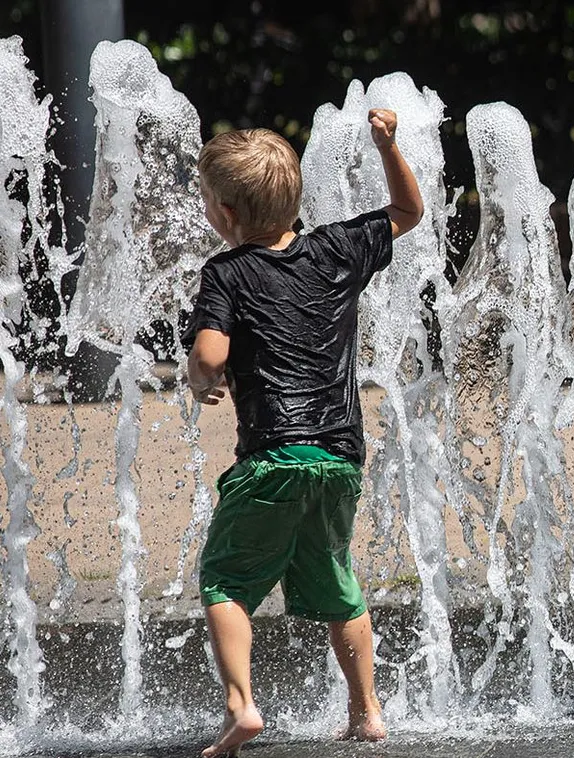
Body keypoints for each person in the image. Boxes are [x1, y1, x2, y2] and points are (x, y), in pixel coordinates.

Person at [185, 110, 422, 757]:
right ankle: (367, 711)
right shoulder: (338, 248)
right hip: (340, 457)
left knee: (225, 583)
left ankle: (242, 705)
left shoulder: (226, 273)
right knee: (335, 580)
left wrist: (200, 377)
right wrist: (388, 145)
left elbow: (208, 355)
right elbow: (407, 209)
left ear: (226, 214)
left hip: (271, 458)